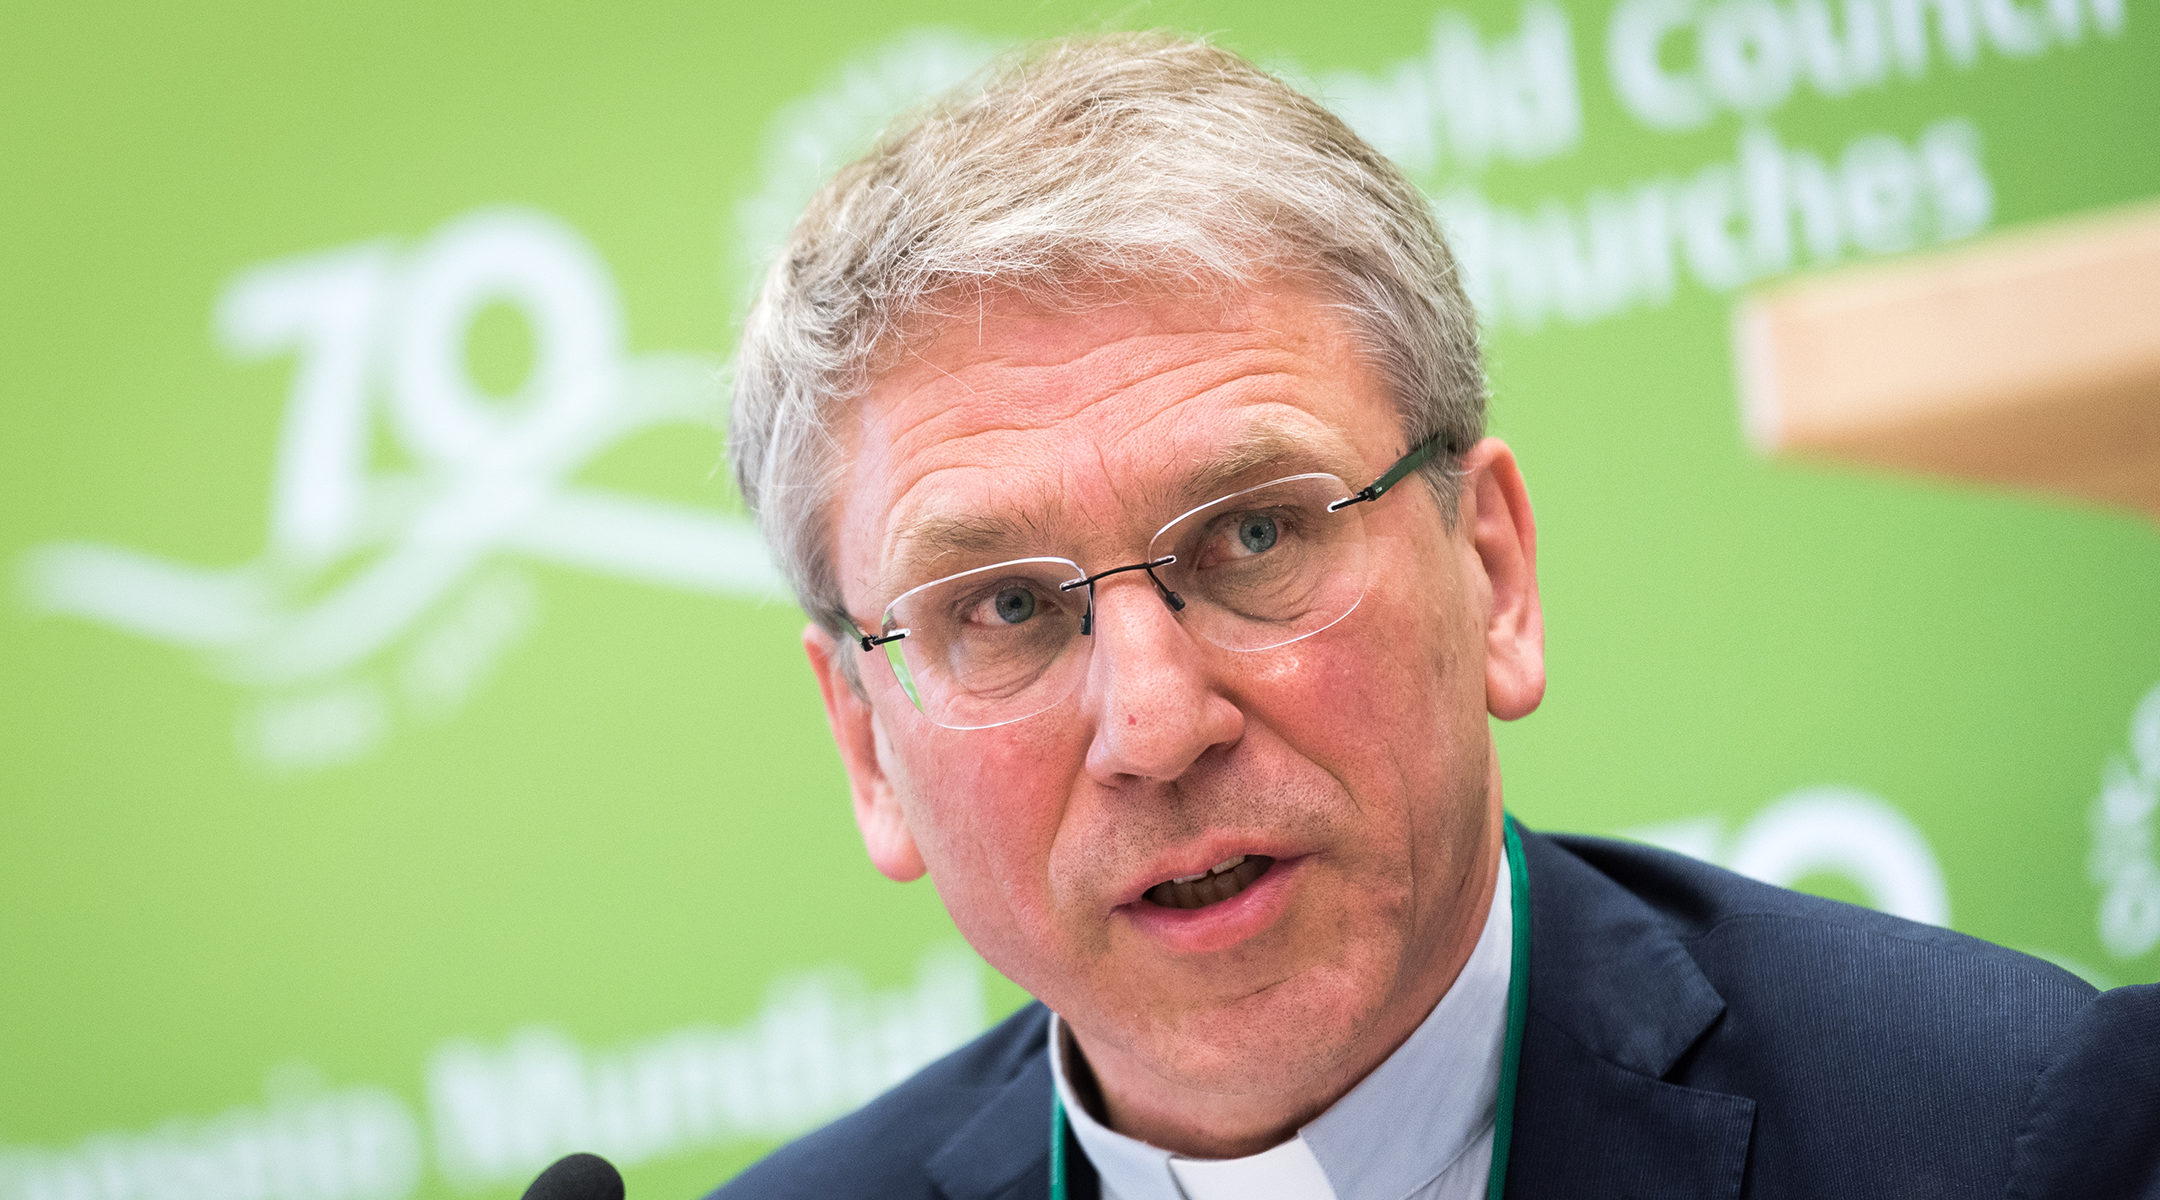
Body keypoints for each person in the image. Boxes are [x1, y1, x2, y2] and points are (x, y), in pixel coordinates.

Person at [708, 32, 2158, 1200]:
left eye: (1254, 533)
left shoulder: (2006, 1139)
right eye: (1010, 607)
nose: (1153, 727)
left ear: (1496, 576)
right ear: (867, 745)